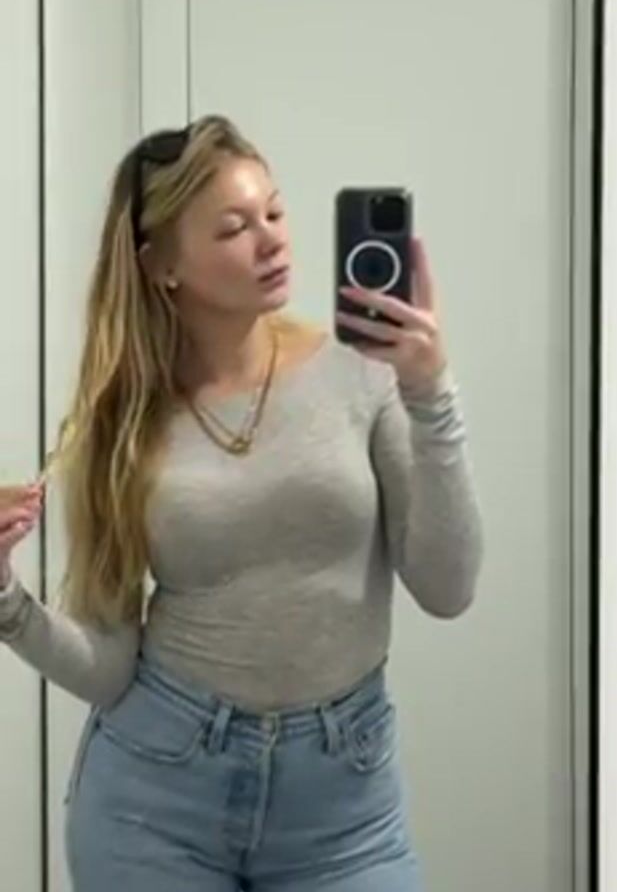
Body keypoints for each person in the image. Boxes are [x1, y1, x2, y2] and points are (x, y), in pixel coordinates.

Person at [0, 114, 483, 891]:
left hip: (344, 809)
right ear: (160, 263)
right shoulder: (121, 425)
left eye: (274, 213)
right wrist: (7, 602)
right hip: (157, 802)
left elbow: (448, 587)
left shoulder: (362, 370)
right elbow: (109, 669)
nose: (271, 241)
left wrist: (431, 393)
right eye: (233, 228)